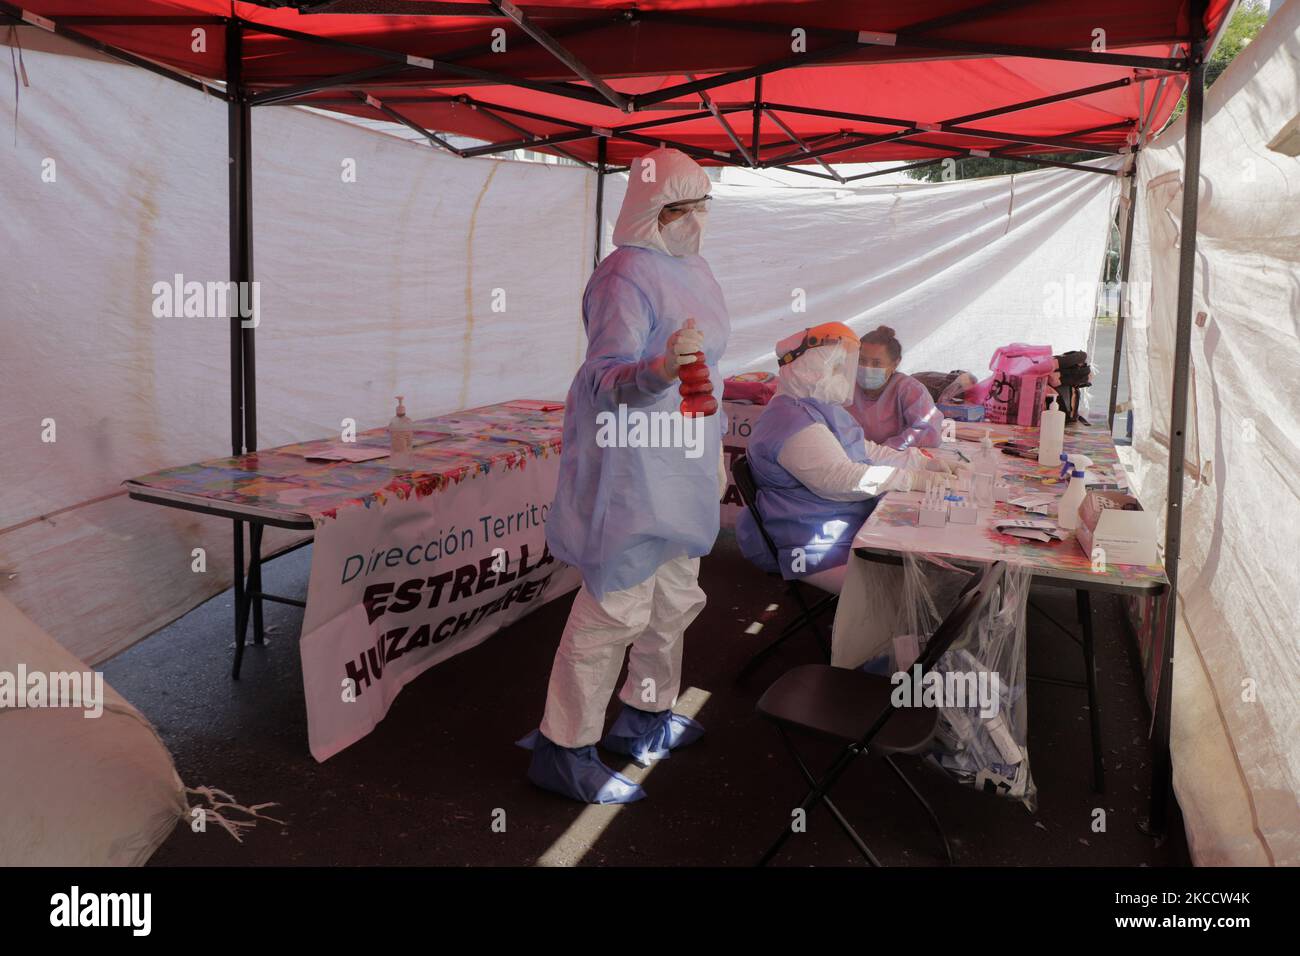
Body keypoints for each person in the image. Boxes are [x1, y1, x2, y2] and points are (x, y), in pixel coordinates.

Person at [517, 148, 730, 804]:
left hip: (683, 462)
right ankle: (565, 743)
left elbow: (706, 363)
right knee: (616, 607)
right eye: (678, 209)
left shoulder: (694, 268)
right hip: (635, 467)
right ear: (647, 212)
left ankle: (645, 713)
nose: (693, 220)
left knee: (673, 600)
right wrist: (658, 370)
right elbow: (605, 378)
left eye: (700, 206)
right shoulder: (623, 276)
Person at [736, 323, 950, 595]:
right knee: (902, 590)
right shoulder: (791, 419)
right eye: (837, 367)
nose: (846, 375)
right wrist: (911, 479)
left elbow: (864, 450)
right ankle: (885, 637)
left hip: (837, 523)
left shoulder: (816, 408)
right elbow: (840, 480)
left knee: (919, 561)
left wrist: (919, 462)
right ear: (810, 367)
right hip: (809, 539)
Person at [849, 325, 944, 449]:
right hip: (848, 457)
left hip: (892, 458)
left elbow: (928, 432)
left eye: (876, 363)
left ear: (895, 363)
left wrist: (883, 451)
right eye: (861, 360)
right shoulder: (845, 386)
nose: (867, 368)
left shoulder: (909, 389)